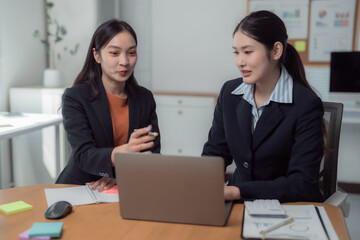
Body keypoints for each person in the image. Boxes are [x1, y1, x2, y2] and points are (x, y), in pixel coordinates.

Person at [202, 10, 326, 203]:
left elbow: (302, 183)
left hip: (287, 206)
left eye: (248, 52)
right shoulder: (229, 92)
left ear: (276, 51)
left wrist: (236, 191)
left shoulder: (306, 104)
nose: (239, 62)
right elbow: (215, 154)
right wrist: (199, 183)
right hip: (237, 205)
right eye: (236, 52)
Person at [56, 19, 160, 191]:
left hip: (123, 188)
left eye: (131, 53)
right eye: (114, 53)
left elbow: (152, 153)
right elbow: (83, 155)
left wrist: (123, 177)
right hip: (80, 187)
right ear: (97, 55)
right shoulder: (75, 97)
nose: (124, 61)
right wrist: (123, 153)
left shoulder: (144, 98)